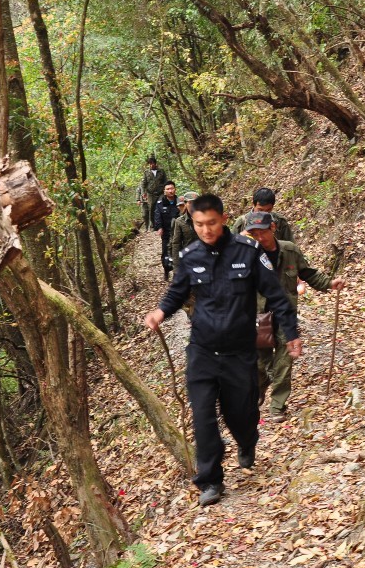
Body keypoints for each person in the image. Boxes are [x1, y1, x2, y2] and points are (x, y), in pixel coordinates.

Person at [145, 194, 301, 507]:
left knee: (239, 413)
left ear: (224, 218)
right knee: (203, 415)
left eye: (212, 223)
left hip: (239, 350)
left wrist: (291, 332)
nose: (206, 230)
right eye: (199, 224)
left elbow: (276, 293)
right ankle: (211, 481)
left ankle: (247, 440)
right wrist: (161, 312)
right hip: (202, 349)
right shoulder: (190, 256)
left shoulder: (249, 251)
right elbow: (178, 291)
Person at [240, 211, 344, 422]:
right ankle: (258, 389)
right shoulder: (246, 254)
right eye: (254, 234)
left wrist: (329, 284)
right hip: (258, 315)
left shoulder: (289, 250)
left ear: (272, 229)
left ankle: (277, 405)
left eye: (262, 233)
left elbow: (308, 273)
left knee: (285, 360)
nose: (259, 238)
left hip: (285, 315)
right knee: (260, 361)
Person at [151, 182, 180, 280]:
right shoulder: (160, 203)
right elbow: (157, 216)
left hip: (179, 232)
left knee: (178, 252)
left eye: (172, 188)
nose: (170, 191)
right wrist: (159, 227)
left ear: (175, 189)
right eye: (168, 189)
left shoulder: (179, 201)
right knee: (166, 253)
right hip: (167, 233)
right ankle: (166, 270)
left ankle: (177, 273)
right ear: (164, 191)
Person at [169, 191, 200, 271]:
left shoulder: (207, 220)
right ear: (185, 204)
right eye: (190, 203)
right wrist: (176, 266)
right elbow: (176, 243)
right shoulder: (180, 221)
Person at [140, 156, 169, 230]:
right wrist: (144, 193)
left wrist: (166, 191)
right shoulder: (146, 172)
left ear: (155, 164)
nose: (151, 165)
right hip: (150, 194)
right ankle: (153, 225)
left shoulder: (161, 171)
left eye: (152, 163)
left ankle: (163, 223)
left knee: (161, 206)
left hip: (160, 192)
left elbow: (165, 181)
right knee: (152, 209)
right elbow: (143, 184)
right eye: (150, 164)